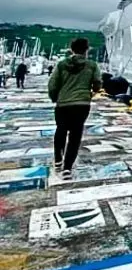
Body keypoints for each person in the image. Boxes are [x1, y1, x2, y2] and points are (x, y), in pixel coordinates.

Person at [48, 38, 102, 176]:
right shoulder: (92, 65)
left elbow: (52, 85)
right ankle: (67, 168)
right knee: (75, 135)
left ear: (71, 49)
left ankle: (58, 159)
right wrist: (91, 92)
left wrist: (55, 98)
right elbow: (97, 83)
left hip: (63, 103)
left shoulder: (61, 64)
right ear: (86, 49)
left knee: (61, 130)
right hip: (82, 104)